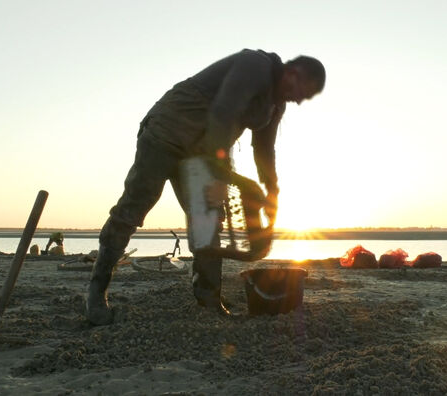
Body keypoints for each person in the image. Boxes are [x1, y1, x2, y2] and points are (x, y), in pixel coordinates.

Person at [86, 49, 325, 325]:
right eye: (301, 92)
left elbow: (263, 148)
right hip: (166, 133)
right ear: (292, 73)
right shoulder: (255, 65)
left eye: (304, 99)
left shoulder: (276, 104)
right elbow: (223, 113)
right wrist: (224, 173)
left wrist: (272, 189)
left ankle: (208, 302)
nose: (298, 100)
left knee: (208, 221)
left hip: (201, 154)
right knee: (134, 206)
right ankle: (96, 293)